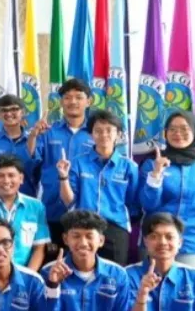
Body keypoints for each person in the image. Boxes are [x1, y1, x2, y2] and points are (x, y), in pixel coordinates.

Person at [138, 111, 195, 277]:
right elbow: (148, 205)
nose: (178, 133)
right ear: (165, 133)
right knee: (153, 291)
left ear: (194, 132)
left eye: (184, 129)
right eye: (172, 129)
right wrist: (156, 174)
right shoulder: (152, 164)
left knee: (193, 291)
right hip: (157, 243)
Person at [58, 109, 140, 265]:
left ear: (119, 134)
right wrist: (63, 177)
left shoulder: (129, 167)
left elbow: (133, 203)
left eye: (109, 130)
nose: (104, 135)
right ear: (91, 135)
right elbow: (69, 201)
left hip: (115, 227)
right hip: (83, 227)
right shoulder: (78, 162)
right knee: (80, 271)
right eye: (98, 131)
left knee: (114, 274)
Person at [31, 79, 95, 244]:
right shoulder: (48, 132)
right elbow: (32, 158)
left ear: (88, 101)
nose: (73, 101)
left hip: (86, 211)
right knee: (52, 258)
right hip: (52, 209)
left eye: (78, 97)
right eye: (67, 97)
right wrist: (33, 135)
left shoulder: (96, 133)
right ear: (61, 102)